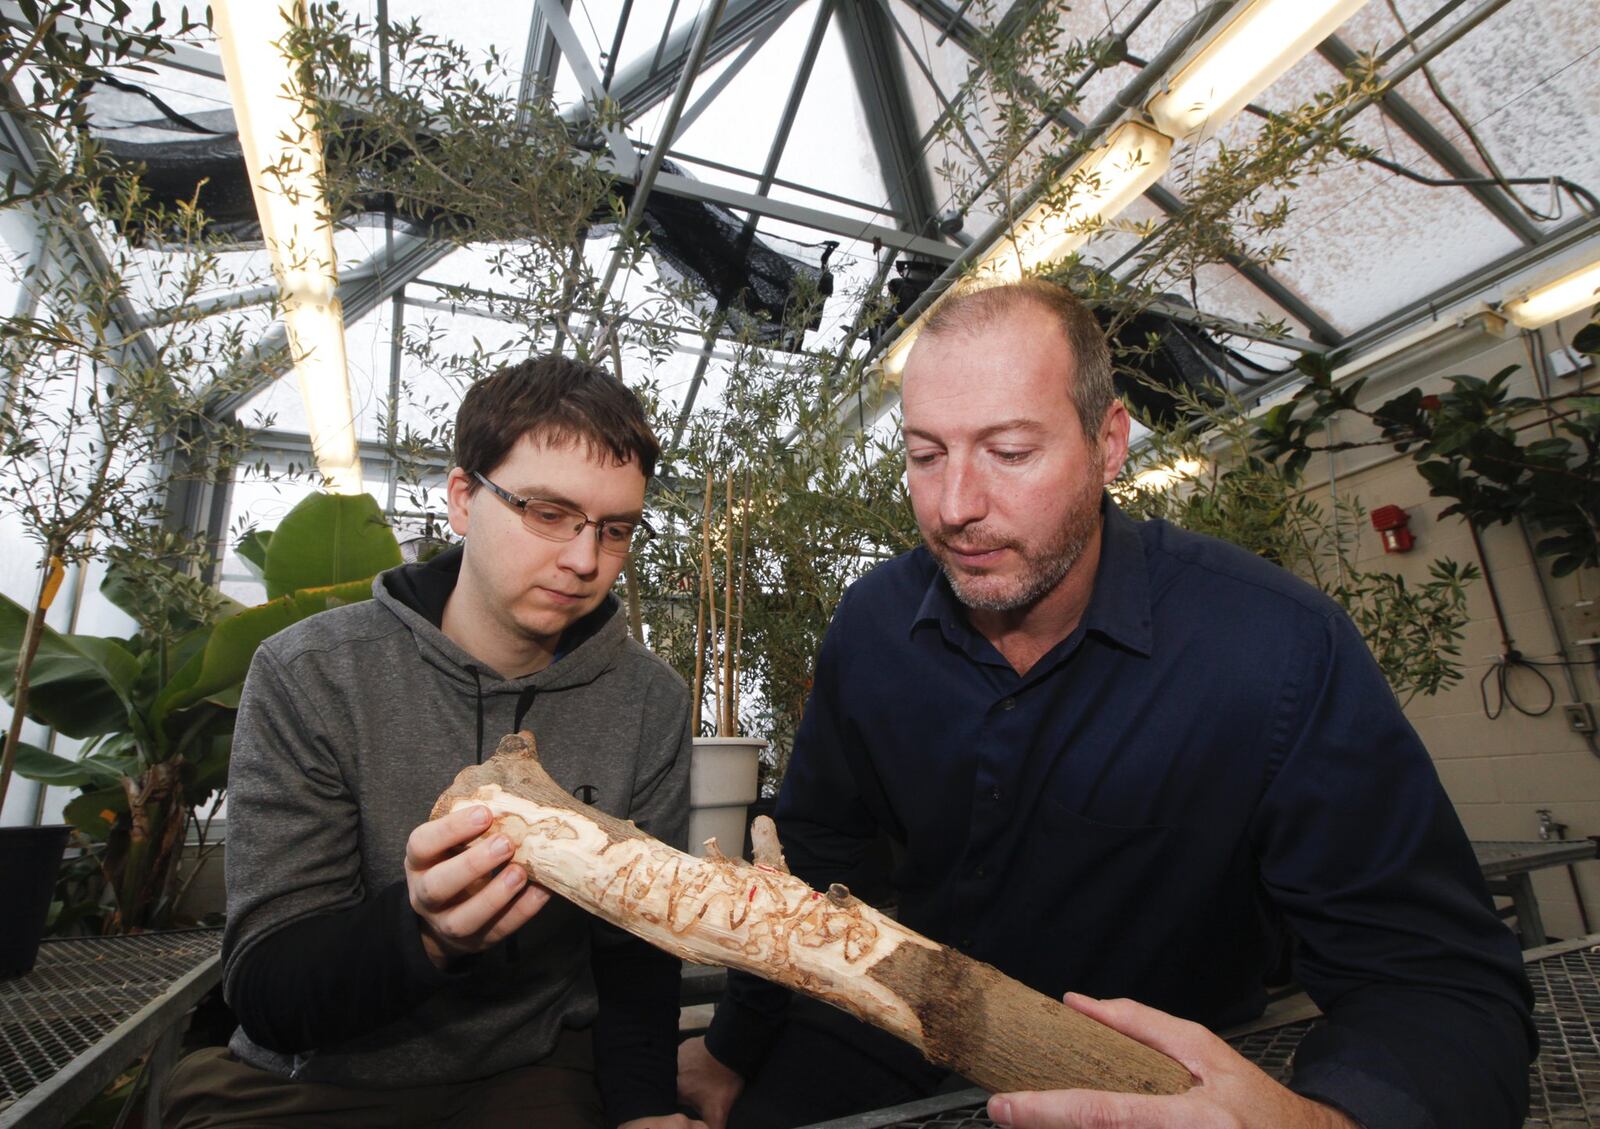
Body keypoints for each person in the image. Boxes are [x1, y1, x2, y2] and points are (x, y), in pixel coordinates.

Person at [677, 279, 1535, 1129]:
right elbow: (813, 864)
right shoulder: (874, 627)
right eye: (926, 453)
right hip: (902, 1048)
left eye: (1010, 452)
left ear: (1110, 442)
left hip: (1161, 1086)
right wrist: (735, 1043)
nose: (954, 506)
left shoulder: (1273, 651)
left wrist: (1326, 1121)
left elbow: (1435, 979)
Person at [165, 356, 702, 1129]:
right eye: (548, 512)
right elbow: (266, 982)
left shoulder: (647, 700)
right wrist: (424, 933)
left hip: (527, 1073)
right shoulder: (308, 675)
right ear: (462, 498)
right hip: (310, 1078)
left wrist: (644, 1110)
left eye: (614, 529)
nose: (586, 560)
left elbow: (636, 955)